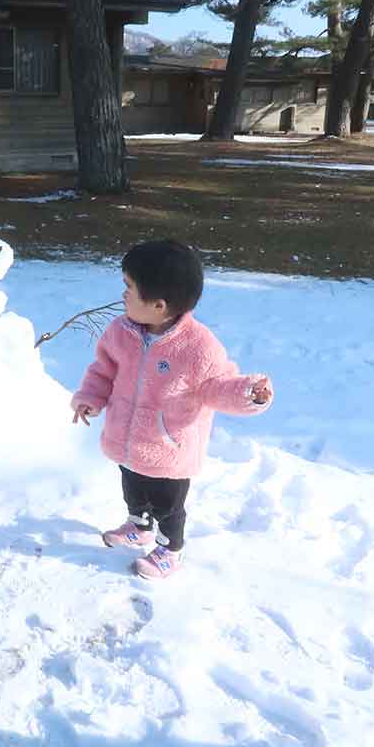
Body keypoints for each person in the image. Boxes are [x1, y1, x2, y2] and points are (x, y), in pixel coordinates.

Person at [72, 240, 274, 580]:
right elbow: (103, 370)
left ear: (159, 305)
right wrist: (90, 397)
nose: (123, 295)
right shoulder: (120, 332)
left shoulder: (198, 347)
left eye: (130, 289)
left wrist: (248, 394)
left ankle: (169, 549)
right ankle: (139, 526)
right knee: (133, 490)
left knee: (168, 506)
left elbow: (219, 385)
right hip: (128, 439)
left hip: (170, 450)